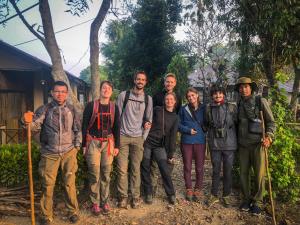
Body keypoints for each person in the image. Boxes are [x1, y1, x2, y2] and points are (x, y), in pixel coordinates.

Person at [23, 81, 81, 225]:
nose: (60, 94)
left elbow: (78, 129)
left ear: (67, 94)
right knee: (47, 185)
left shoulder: (72, 110)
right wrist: (26, 121)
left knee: (69, 184)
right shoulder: (44, 109)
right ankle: (46, 215)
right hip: (49, 153)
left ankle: (73, 211)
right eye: (57, 91)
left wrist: (77, 146)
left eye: (63, 91)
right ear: (52, 93)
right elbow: (33, 127)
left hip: (69, 152)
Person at [235, 77, 275, 214]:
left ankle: (257, 201)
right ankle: (246, 199)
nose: (243, 89)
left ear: (251, 88)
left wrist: (269, 137)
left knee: (259, 174)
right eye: (241, 87)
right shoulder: (238, 103)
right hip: (243, 145)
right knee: (243, 174)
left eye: (246, 86)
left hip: (258, 144)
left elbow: (271, 122)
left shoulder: (260, 101)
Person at [81, 81, 120, 216]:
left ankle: (105, 201)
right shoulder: (91, 105)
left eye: (109, 88)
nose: (106, 90)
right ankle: (95, 203)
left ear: (112, 91)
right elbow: (84, 125)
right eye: (104, 88)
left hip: (108, 143)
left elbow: (116, 128)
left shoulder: (114, 108)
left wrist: (117, 146)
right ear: (100, 90)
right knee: (94, 174)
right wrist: (84, 145)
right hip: (93, 143)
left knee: (106, 173)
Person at [116, 71, 153, 208]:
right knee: (121, 169)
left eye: (143, 79)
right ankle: (123, 197)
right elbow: (116, 117)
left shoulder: (148, 99)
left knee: (135, 169)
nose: (140, 81)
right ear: (134, 80)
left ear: (145, 82)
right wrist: (117, 136)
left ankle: (135, 197)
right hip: (123, 137)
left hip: (138, 138)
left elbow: (149, 119)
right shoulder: (123, 96)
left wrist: (143, 137)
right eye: (138, 79)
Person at [141, 92, 178, 205]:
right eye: (167, 99)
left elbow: (173, 136)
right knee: (145, 167)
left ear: (175, 101)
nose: (169, 101)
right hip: (147, 142)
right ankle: (148, 193)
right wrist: (145, 123)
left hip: (159, 145)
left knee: (164, 169)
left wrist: (170, 154)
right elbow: (145, 117)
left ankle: (171, 194)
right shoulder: (157, 109)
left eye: (171, 99)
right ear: (164, 100)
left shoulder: (175, 117)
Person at [204, 84, 237, 207]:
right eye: (215, 93)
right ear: (212, 95)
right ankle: (214, 194)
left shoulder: (232, 107)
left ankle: (226, 195)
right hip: (215, 144)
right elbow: (206, 124)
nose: (218, 95)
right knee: (216, 170)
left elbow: (237, 124)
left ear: (224, 94)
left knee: (228, 171)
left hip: (230, 144)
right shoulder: (208, 108)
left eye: (220, 93)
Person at [150, 73, 182, 194]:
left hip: (170, 132)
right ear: (164, 83)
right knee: (153, 161)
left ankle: (165, 182)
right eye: (167, 81)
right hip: (156, 134)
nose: (169, 84)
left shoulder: (177, 97)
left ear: (175, 83)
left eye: (171, 82)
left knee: (168, 159)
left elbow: (176, 114)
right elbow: (151, 113)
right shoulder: (157, 96)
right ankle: (152, 185)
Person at [178, 87, 206, 202]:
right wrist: (187, 130)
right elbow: (178, 125)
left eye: (193, 95)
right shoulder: (183, 109)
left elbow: (209, 122)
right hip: (187, 141)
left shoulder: (204, 108)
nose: (191, 98)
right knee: (187, 166)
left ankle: (198, 189)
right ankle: (189, 188)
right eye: (189, 96)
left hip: (200, 141)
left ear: (197, 95)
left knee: (199, 167)